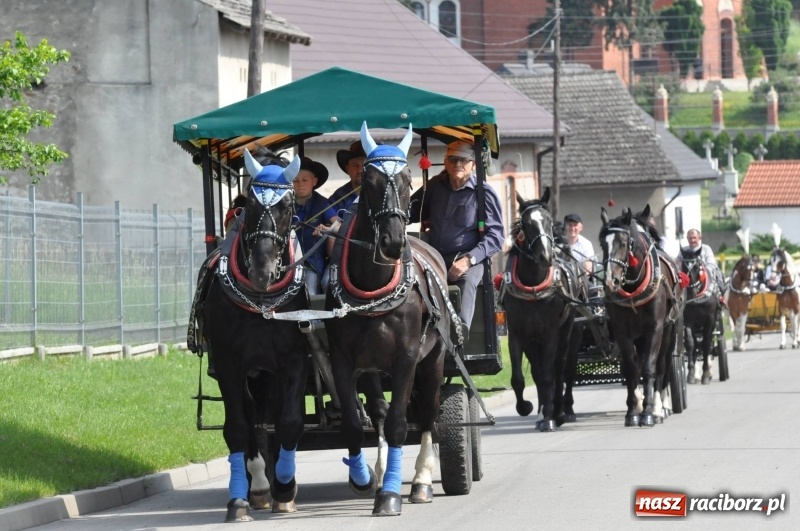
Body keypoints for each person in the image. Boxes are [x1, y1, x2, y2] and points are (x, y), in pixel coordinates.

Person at [408, 140, 504, 340]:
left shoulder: (483, 193)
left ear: (474, 165)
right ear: (445, 162)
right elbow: (409, 211)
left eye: (463, 160)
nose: (458, 164)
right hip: (434, 257)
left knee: (467, 282)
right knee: (410, 279)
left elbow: (496, 236)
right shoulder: (434, 186)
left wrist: (468, 260)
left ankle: (459, 332)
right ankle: (411, 332)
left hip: (469, 258)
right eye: (453, 159)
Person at [293, 156, 341, 295]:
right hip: (286, 265)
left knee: (310, 292)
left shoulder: (321, 203)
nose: (300, 184)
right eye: (295, 180)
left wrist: (328, 230)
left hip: (311, 265)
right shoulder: (285, 203)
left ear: (314, 181)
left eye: (305, 180)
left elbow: (340, 226)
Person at [680, 228, 726, 298]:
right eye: (690, 238)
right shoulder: (684, 250)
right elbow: (677, 263)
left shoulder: (706, 249)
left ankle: (722, 297)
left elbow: (712, 264)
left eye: (694, 238)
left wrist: (703, 271)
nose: (692, 240)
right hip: (688, 278)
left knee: (718, 275)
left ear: (699, 238)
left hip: (705, 276)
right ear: (687, 238)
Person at [328, 141, 366, 217]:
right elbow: (329, 223)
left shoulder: (382, 194)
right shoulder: (338, 198)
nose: (360, 170)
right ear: (347, 168)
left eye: (365, 165)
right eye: (355, 165)